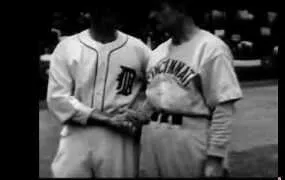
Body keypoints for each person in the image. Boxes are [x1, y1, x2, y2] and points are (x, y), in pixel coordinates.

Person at [139, 0, 243, 177]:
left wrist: (215, 158)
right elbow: (155, 98)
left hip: (188, 137)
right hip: (151, 138)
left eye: (159, 9)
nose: (152, 16)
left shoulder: (211, 48)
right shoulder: (158, 52)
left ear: (181, 8)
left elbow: (223, 105)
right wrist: (138, 115)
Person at [47, 5, 151, 178]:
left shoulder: (138, 49)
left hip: (120, 141)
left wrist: (143, 111)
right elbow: (57, 98)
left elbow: (161, 85)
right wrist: (109, 119)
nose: (108, 13)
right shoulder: (67, 47)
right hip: (76, 135)